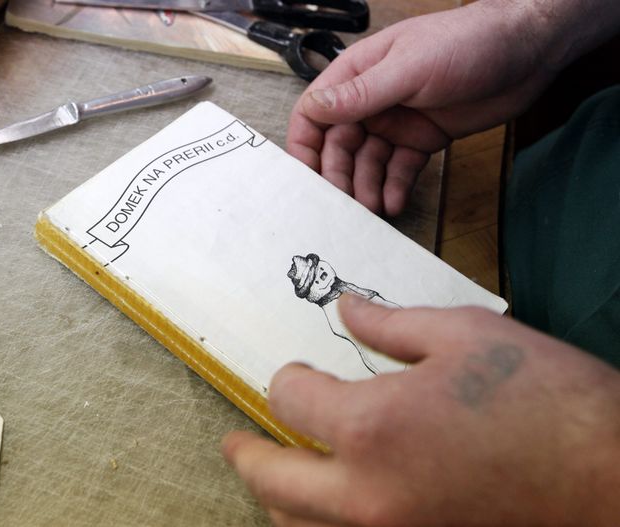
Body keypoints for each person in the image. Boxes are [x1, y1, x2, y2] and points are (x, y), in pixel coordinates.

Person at [220, 0, 620, 524]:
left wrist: (588, 478)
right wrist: (535, 24)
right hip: (555, 184)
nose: (318, 270)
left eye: (314, 266)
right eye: (310, 276)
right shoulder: (337, 314)